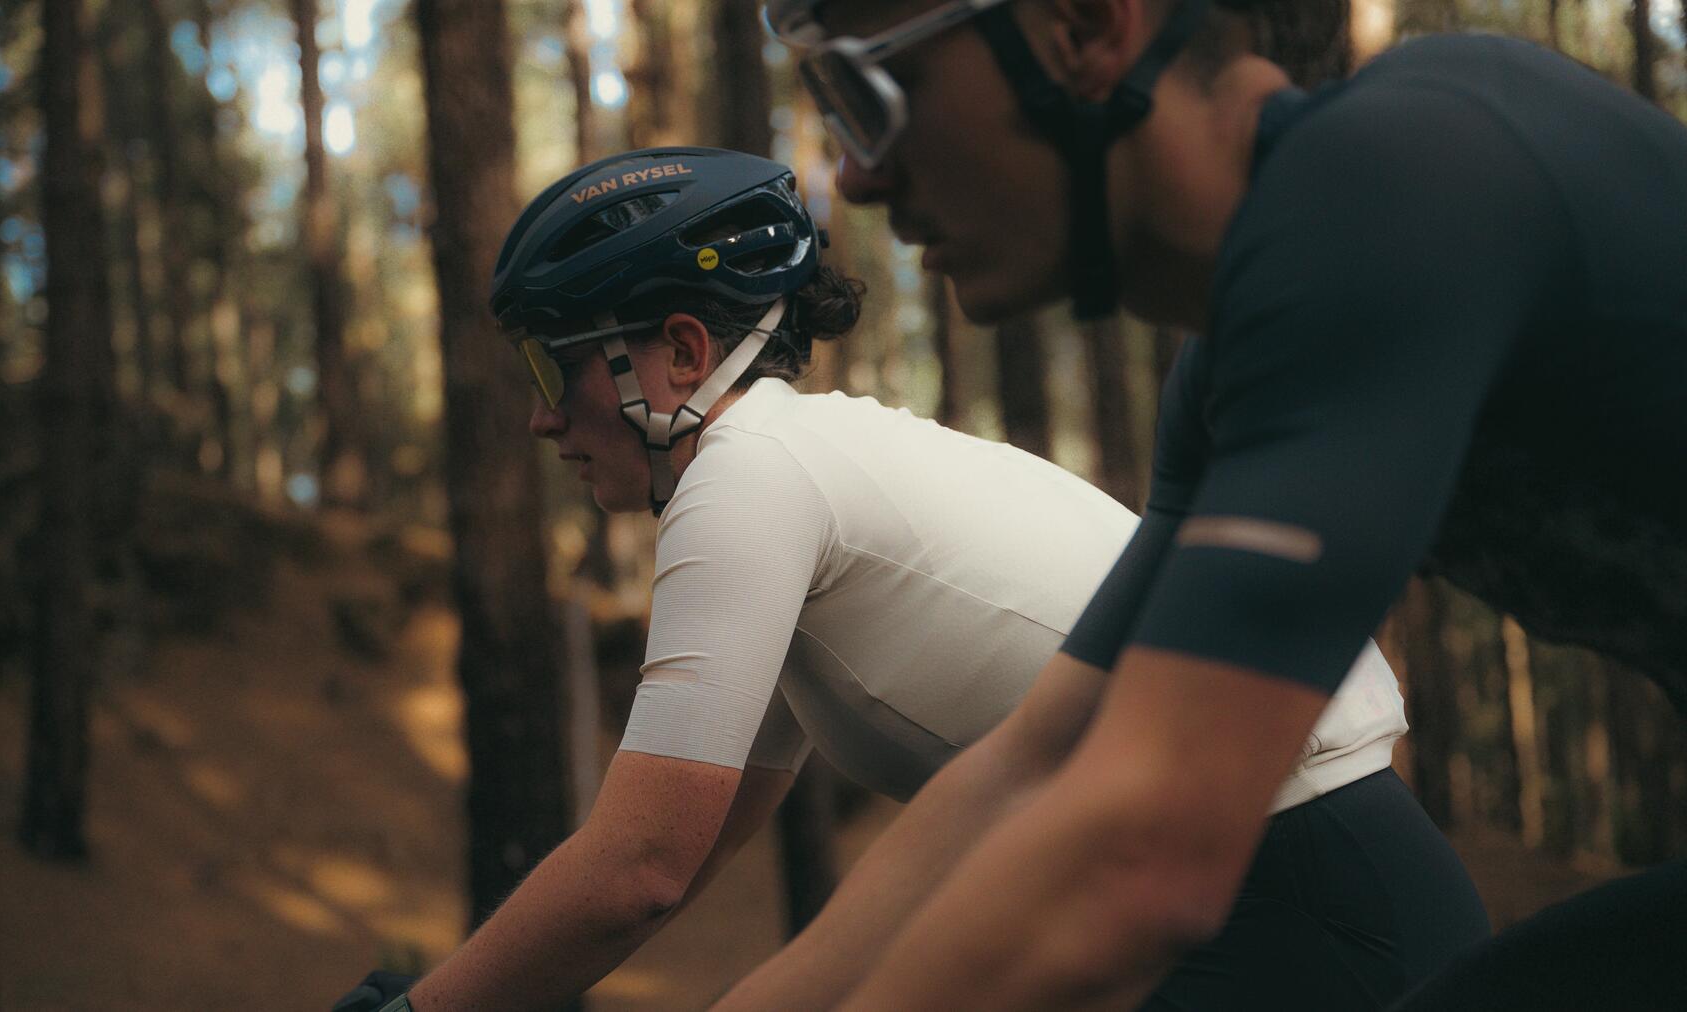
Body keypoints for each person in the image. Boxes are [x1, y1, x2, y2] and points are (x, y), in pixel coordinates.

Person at [337, 144, 1481, 1012]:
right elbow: (685, 854)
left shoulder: (747, 477)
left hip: (1295, 895)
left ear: (682, 354)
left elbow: (638, 867)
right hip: (1293, 874)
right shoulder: (793, 472)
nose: (541, 417)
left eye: (554, 362)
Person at [736, 0, 1687, 1008]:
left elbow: (1145, 854)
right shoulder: (1235, 361)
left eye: (874, 93)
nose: (857, 174)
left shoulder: (1397, 178)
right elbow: (1035, 760)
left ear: (1086, 30)